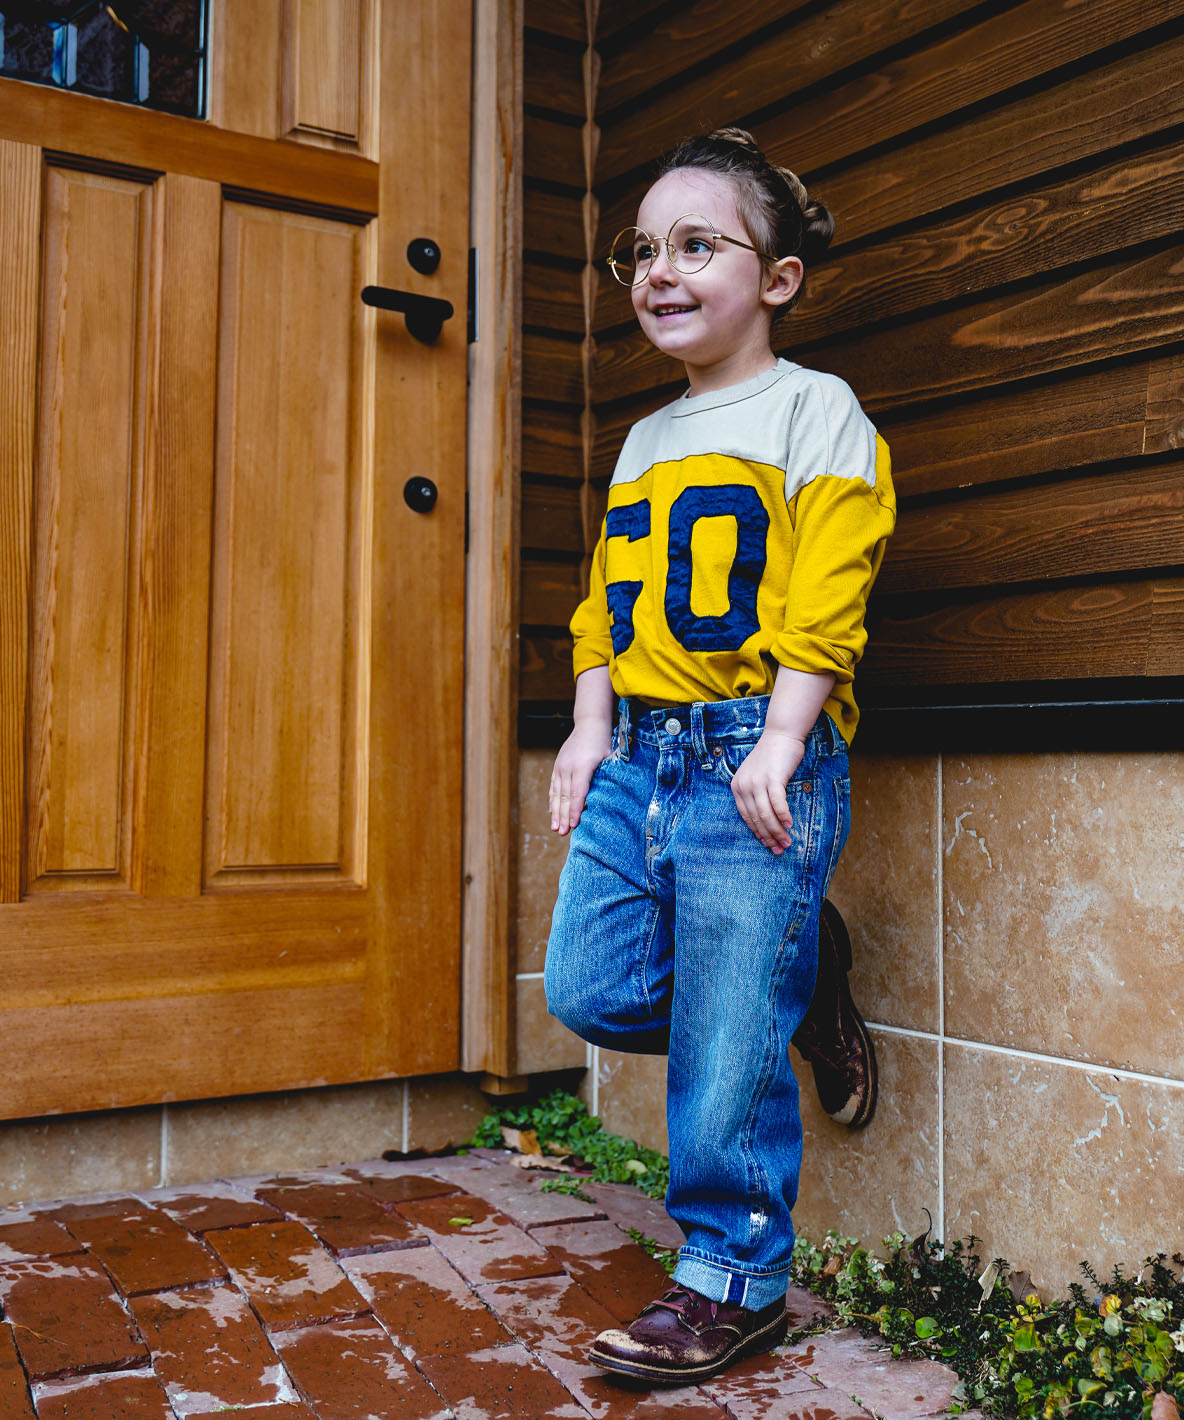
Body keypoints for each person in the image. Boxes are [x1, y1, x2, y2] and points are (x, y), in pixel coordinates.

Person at [543, 128, 896, 1384]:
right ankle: (795, 978)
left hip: (756, 742)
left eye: (697, 245)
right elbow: (603, 604)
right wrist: (589, 729)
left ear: (778, 278)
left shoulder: (816, 411)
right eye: (641, 250)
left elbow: (828, 589)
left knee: (730, 1013)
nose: (659, 270)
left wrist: (788, 734)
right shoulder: (641, 440)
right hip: (642, 752)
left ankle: (732, 1279)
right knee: (587, 987)